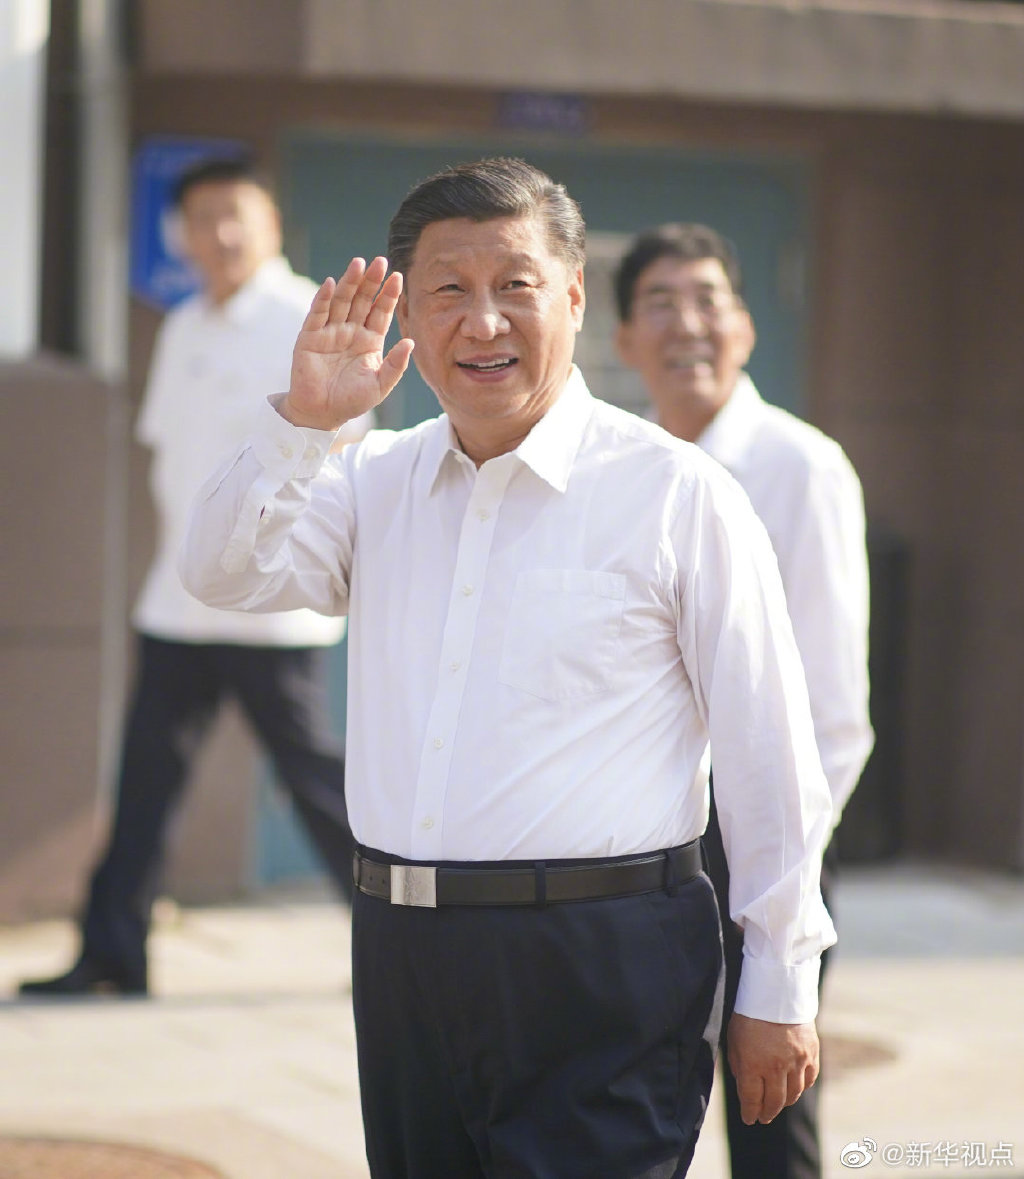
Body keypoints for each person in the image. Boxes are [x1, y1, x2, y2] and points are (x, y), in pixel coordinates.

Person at [180, 157, 836, 1179]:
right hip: (403, 955)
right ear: (408, 314)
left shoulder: (677, 493)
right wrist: (302, 427)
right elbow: (220, 572)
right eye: (448, 290)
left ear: (572, 298)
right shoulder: (373, 479)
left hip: (604, 962)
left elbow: (770, 753)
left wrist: (780, 982)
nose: (482, 321)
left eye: (515, 285)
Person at [20, 156, 371, 999]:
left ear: (271, 222)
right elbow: (170, 463)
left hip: (272, 605)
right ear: (180, 235)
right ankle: (113, 953)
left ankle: (403, 944)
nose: (220, 233)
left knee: (318, 786)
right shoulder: (183, 327)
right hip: (178, 604)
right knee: (144, 783)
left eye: (235, 213)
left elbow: (342, 449)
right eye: (202, 218)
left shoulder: (305, 318)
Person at [614, 222, 874, 1179]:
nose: (688, 324)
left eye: (709, 300)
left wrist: (783, 866)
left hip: (761, 836)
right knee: (635, 1100)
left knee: (768, 1112)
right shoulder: (623, 467)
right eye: (660, 304)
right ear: (624, 339)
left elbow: (834, 705)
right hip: (641, 841)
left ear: (747, 327)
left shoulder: (799, 466)